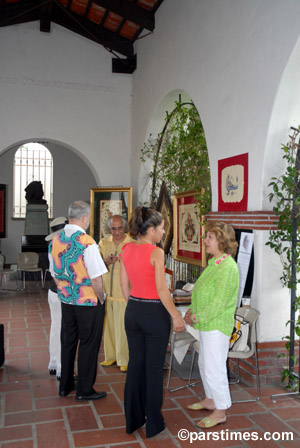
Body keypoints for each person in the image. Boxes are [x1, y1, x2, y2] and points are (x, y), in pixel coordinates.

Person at [120, 206, 185, 438]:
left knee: (136, 365)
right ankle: (154, 423)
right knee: (154, 369)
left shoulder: (125, 248)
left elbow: (124, 285)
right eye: (162, 227)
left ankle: (133, 419)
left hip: (134, 310)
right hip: (154, 314)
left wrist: (134, 306)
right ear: (150, 230)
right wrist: (175, 316)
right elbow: (161, 289)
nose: (163, 231)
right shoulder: (156, 252)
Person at [49, 201, 108, 401]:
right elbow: (96, 278)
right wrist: (101, 298)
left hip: (66, 300)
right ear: (84, 218)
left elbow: (54, 272)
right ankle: (85, 389)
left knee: (68, 341)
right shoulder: (87, 242)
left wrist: (65, 290)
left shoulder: (55, 240)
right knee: (89, 344)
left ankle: (65, 385)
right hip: (88, 302)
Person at [184, 221, 239, 429]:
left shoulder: (227, 267)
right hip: (207, 324)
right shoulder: (214, 262)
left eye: (210, 237)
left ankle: (221, 410)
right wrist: (191, 309)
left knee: (215, 369)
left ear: (222, 241)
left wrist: (196, 317)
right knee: (204, 365)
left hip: (216, 325)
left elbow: (218, 303)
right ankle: (210, 399)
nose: (205, 240)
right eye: (206, 236)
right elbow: (199, 291)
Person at [99, 215, 132, 372]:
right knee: (109, 328)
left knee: (123, 328)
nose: (117, 231)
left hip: (123, 294)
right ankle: (110, 356)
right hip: (107, 292)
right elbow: (96, 262)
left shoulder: (131, 243)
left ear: (124, 227)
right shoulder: (104, 243)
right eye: (113, 228)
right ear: (109, 229)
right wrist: (106, 261)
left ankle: (124, 359)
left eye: (120, 228)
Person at [45, 216, 68, 380]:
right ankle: (61, 367)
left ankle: (53, 363)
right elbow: (56, 274)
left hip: (53, 293)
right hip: (61, 292)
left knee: (55, 327)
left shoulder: (51, 245)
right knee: (63, 329)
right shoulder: (60, 246)